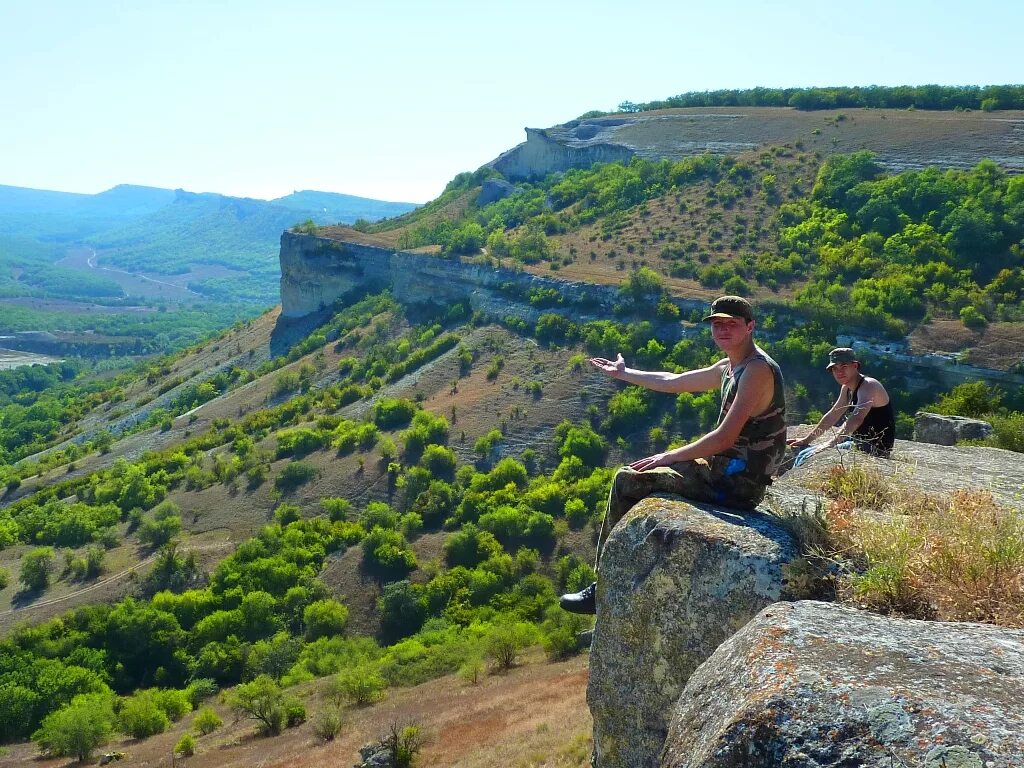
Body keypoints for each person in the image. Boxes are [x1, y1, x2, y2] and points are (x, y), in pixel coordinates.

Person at [559, 295, 787, 614]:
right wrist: (624, 374)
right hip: (726, 470)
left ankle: (603, 588)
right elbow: (674, 382)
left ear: (750, 327)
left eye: (731, 324)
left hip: (738, 481)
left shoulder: (756, 371)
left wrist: (669, 456)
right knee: (638, 473)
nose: (722, 330)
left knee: (627, 480)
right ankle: (615, 576)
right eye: (717, 324)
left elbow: (724, 438)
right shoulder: (730, 366)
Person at [788, 347, 895, 464]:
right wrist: (806, 440)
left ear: (855, 366)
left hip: (874, 447)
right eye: (835, 368)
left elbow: (856, 419)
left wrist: (829, 444)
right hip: (858, 439)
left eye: (844, 367)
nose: (839, 372)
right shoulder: (847, 387)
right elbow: (833, 415)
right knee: (804, 452)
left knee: (808, 457)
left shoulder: (868, 385)